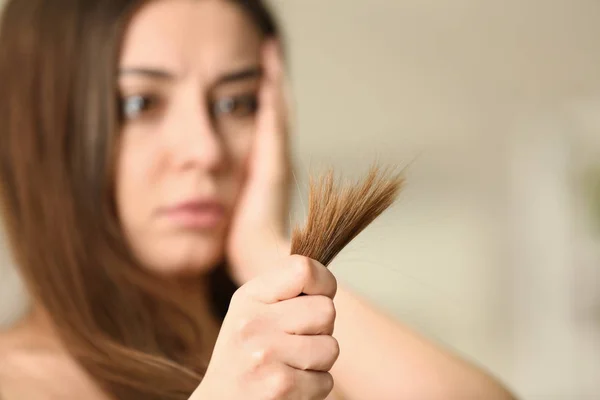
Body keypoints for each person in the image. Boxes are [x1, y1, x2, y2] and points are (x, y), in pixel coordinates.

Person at [0, 0, 517, 399]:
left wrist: (266, 252)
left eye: (234, 103)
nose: (204, 150)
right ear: (42, 133)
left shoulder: (296, 367)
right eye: (141, 103)